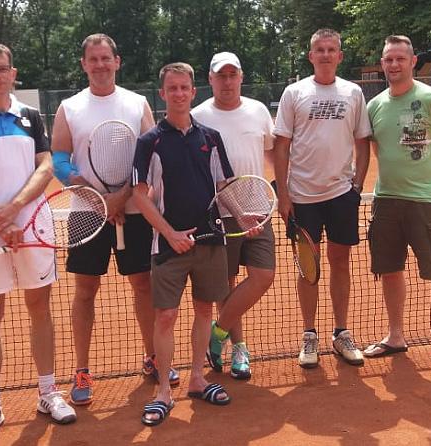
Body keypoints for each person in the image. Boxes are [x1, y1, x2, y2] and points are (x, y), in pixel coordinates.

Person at [0, 43, 76, 445]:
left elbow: (46, 165)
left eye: (4, 68)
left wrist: (17, 209)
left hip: (34, 230)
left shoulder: (31, 116)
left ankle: (48, 392)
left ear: (13, 72)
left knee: (40, 309)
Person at [50, 34, 179, 406]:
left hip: (135, 212)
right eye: (93, 59)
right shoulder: (69, 108)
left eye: (106, 58)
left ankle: (153, 357)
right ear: (84, 64)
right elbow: (59, 159)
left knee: (143, 286)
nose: (100, 65)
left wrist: (121, 197)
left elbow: (151, 156)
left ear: (117, 61)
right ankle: (82, 369)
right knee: (85, 290)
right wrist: (98, 199)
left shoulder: (137, 103)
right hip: (86, 214)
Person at [133, 62, 234, 426]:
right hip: (168, 246)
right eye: (172, 88)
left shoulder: (211, 137)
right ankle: (163, 390)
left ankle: (197, 379)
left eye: (184, 87)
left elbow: (224, 186)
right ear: (162, 94)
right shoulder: (149, 142)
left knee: (205, 310)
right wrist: (170, 234)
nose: (178, 93)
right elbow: (139, 195)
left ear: (193, 91)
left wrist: (243, 217)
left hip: (210, 240)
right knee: (165, 315)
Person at [363, 35, 431, 379]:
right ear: (383, 64)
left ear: (413, 61)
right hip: (387, 201)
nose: (394, 64)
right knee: (390, 270)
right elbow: (379, 149)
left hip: (428, 204)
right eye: (388, 59)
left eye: (400, 58)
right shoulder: (375, 105)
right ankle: (395, 336)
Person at [273, 29, 372, 369]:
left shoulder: (353, 92)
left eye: (331, 49)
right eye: (320, 49)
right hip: (302, 197)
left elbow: (362, 142)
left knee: (341, 262)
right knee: (308, 268)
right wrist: (283, 193)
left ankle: (341, 333)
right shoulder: (294, 92)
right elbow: (281, 147)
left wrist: (357, 186)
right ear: (310, 55)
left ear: (339, 56)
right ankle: (309, 335)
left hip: (341, 195)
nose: (326, 54)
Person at [191, 52, 275, 380]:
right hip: (220, 214)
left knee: (263, 275)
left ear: (241, 77)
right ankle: (239, 347)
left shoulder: (258, 111)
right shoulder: (198, 117)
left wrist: (282, 187)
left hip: (259, 210)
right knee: (225, 283)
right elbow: (206, 173)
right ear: (210, 79)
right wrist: (237, 213)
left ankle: (218, 332)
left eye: (232, 75)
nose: (227, 82)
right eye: (220, 76)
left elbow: (270, 153)